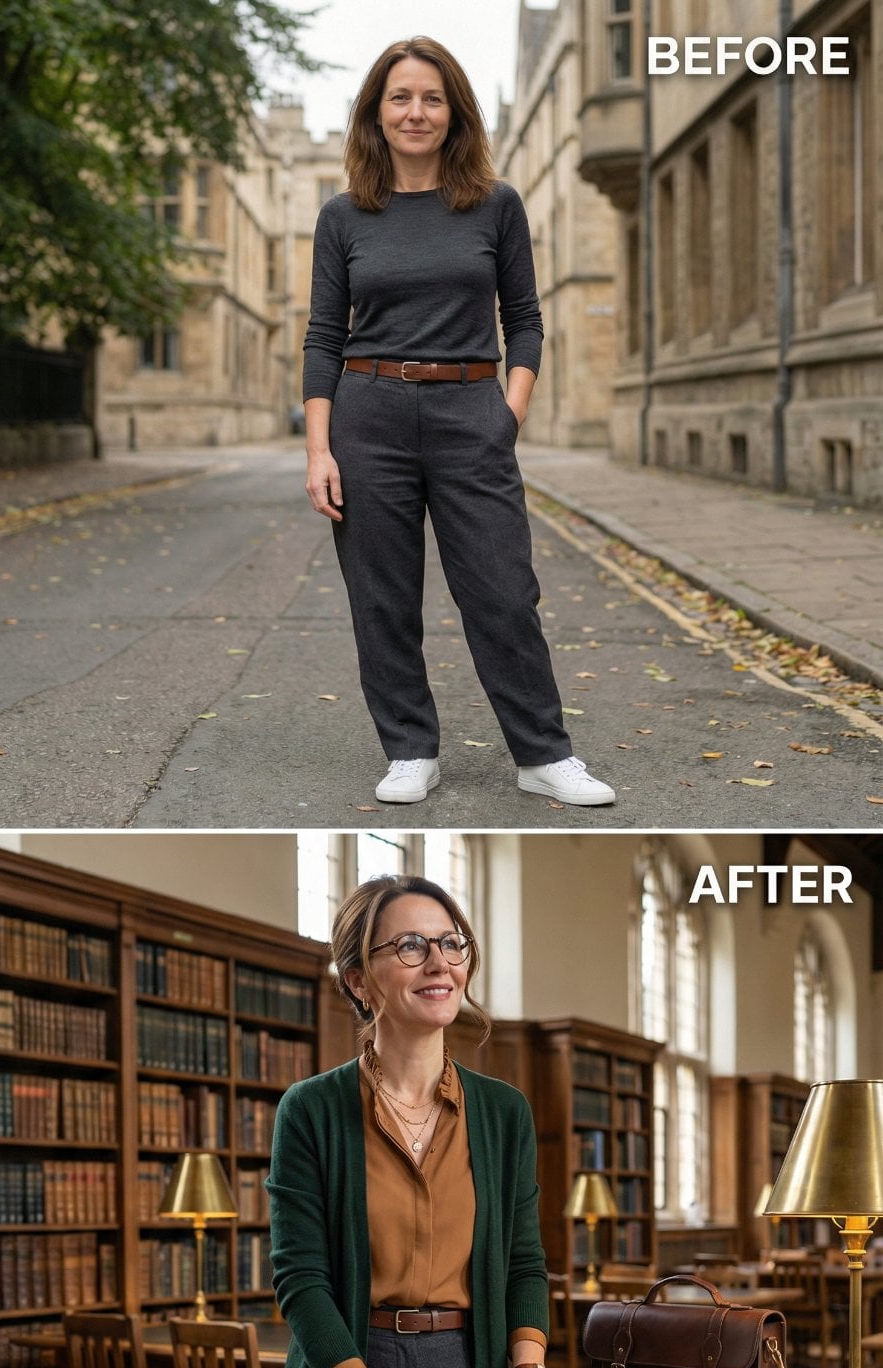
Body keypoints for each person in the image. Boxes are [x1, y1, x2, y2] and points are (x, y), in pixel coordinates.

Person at [265, 873, 591, 1368]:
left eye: (451, 942)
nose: (439, 961)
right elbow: (300, 1278)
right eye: (410, 945)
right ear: (358, 979)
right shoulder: (311, 1110)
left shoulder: (504, 1113)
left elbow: (523, 1263)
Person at [302, 36, 615, 809]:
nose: (416, 112)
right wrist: (318, 450)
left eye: (432, 98)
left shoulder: (495, 205)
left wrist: (507, 413)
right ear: (376, 113)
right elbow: (323, 338)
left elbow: (526, 322)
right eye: (400, 97)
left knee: (504, 590)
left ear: (454, 113)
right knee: (382, 597)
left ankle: (543, 755)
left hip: (471, 411)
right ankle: (410, 751)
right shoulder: (344, 217)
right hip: (368, 414)